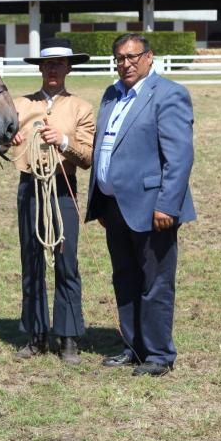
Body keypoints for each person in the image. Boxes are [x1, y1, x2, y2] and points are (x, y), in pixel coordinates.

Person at [85, 33, 196, 377]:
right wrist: (101, 202)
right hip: (115, 206)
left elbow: (179, 158)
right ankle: (133, 346)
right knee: (125, 279)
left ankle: (159, 355)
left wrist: (167, 205)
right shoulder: (111, 95)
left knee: (156, 282)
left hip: (153, 209)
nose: (126, 63)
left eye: (133, 57)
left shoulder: (169, 94)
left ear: (150, 58)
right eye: (120, 58)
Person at [0, 38, 95, 364]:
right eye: (48, 64)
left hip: (63, 189)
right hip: (29, 187)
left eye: (59, 64)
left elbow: (87, 157)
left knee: (66, 263)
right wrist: (5, 141)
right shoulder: (17, 105)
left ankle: (69, 336)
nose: (53, 69)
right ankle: (35, 334)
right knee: (31, 263)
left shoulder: (82, 109)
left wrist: (62, 141)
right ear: (40, 68)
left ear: (69, 68)